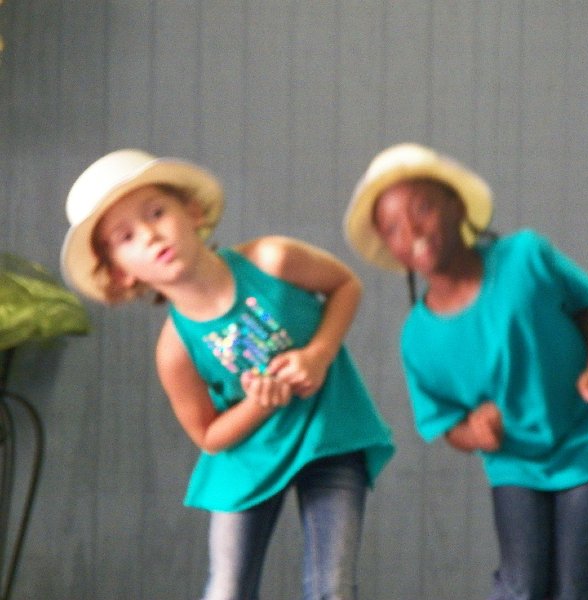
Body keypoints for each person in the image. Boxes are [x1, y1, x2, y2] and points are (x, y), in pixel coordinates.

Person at [61, 149, 394, 600]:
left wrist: (319, 354)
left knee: (331, 587)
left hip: (327, 434)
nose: (151, 235)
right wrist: (259, 404)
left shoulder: (273, 260)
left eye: (157, 212)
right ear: (120, 273)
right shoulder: (175, 351)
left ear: (192, 212)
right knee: (227, 589)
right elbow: (209, 436)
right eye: (126, 236)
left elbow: (345, 285)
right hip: (247, 460)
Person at [343, 143, 588, 600]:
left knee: (575, 588)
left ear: (458, 207)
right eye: (393, 228)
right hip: (515, 461)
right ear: (392, 251)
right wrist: (475, 434)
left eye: (422, 208)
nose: (413, 230)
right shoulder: (418, 338)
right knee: (522, 586)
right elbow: (448, 425)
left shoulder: (526, 256)